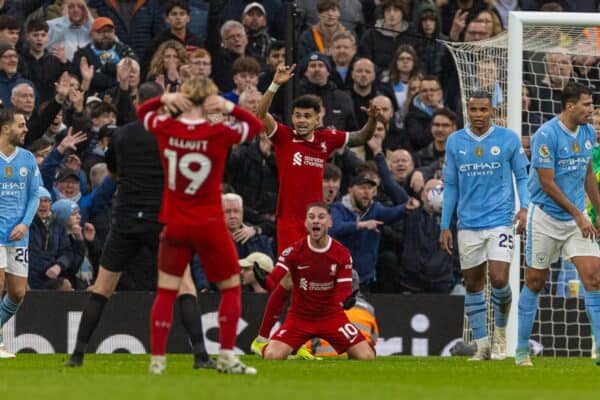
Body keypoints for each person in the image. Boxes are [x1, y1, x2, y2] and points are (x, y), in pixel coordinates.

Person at [64, 82, 216, 369]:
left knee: (102, 288)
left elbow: (112, 170)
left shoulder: (121, 135)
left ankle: (77, 356)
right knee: (184, 285)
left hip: (125, 221)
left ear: (138, 103)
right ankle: (201, 356)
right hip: (162, 221)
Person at [251, 62, 381, 355]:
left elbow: (361, 137)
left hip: (315, 221)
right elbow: (260, 115)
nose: (300, 120)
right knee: (288, 281)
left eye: (306, 116)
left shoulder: (326, 139)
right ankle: (263, 338)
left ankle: (296, 341)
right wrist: (274, 84)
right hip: (289, 218)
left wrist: (373, 119)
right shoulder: (284, 137)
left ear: (317, 118)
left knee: (307, 282)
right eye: (297, 115)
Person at [137, 77, 264, 374]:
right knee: (231, 287)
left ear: (183, 99)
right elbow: (255, 127)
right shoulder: (219, 131)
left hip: (176, 222)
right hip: (209, 223)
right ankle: (227, 355)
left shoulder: (166, 127)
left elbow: (143, 112)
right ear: (210, 99)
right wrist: (230, 106)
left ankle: (157, 361)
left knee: (167, 291)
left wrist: (163, 100)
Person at [440, 91, 529, 361]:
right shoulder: (455, 142)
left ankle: (500, 333)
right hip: (468, 224)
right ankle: (482, 345)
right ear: (468, 111)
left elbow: (522, 177)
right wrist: (446, 225)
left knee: (500, 278)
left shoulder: (508, 139)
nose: (478, 115)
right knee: (472, 283)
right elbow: (452, 186)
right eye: (474, 110)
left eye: (483, 109)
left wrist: (524, 208)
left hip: (500, 220)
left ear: (492, 110)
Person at [516, 82, 600, 367]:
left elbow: (587, 174)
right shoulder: (546, 135)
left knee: (594, 277)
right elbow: (546, 182)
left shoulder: (588, 131)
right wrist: (579, 214)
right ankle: (521, 350)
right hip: (546, 217)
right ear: (570, 106)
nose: (592, 110)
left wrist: (597, 210)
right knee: (535, 282)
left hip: (577, 218)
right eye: (587, 104)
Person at [256, 202, 375, 361]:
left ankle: (363, 347)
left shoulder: (342, 253)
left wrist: (347, 299)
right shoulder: (294, 251)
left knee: (366, 357)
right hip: (299, 318)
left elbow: (344, 289)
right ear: (306, 223)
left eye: (321, 217)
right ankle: (267, 346)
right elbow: (273, 282)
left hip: (331, 317)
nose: (316, 221)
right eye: (311, 217)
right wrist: (263, 280)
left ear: (330, 222)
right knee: (272, 356)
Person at [0, 109, 41, 358]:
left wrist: (25, 224)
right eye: (21, 125)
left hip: (19, 236)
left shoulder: (27, 158)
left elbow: (35, 194)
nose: (26, 129)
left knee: (17, 293)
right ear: (5, 128)